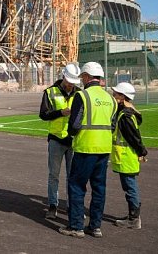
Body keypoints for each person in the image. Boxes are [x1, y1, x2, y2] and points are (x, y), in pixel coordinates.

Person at [59, 62, 117, 239]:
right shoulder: (111, 99)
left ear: (85, 76)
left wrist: (71, 134)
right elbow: (113, 126)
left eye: (82, 77)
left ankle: (76, 227)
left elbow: (75, 124)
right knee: (99, 188)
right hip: (104, 148)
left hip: (85, 148)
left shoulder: (82, 96)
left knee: (76, 186)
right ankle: (95, 226)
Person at [39, 63, 80, 219]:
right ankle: (52, 205)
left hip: (73, 140)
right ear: (63, 76)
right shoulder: (50, 92)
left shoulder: (79, 93)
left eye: (73, 82)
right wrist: (60, 113)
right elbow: (43, 114)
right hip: (56, 139)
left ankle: (72, 207)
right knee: (53, 175)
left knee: (73, 176)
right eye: (69, 81)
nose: (71, 85)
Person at [110, 82, 147, 230]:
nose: (114, 95)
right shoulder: (127, 113)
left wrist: (142, 152)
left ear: (122, 97)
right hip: (126, 156)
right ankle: (133, 216)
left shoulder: (125, 116)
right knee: (129, 186)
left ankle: (134, 218)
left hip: (126, 156)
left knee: (130, 187)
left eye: (116, 94)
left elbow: (134, 137)